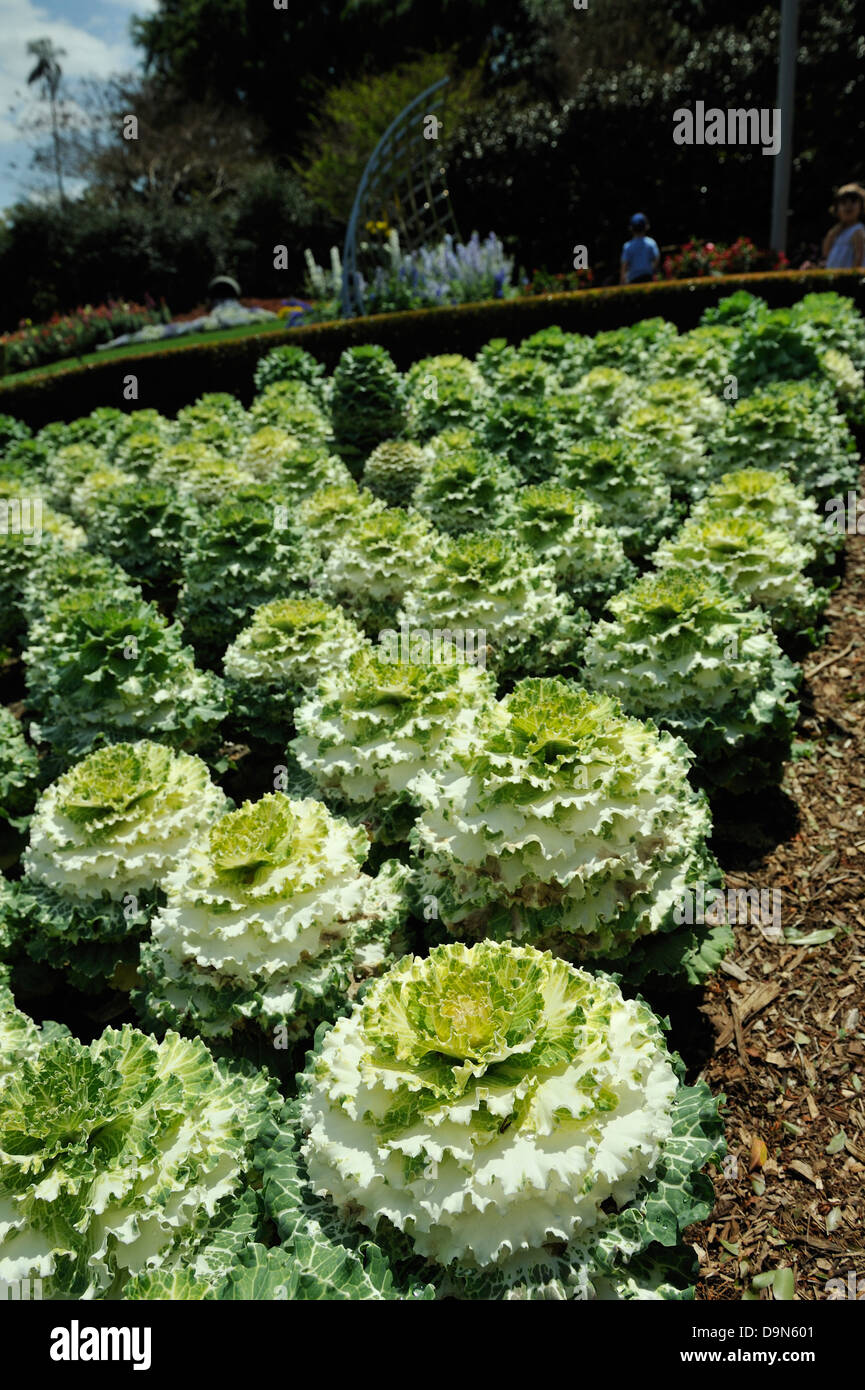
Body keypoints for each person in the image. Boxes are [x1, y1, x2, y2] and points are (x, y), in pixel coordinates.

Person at [822, 183, 865, 269]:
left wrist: (852, 278)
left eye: (853, 201)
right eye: (843, 202)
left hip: (847, 279)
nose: (848, 205)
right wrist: (832, 234)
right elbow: (825, 252)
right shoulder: (838, 231)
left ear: (861, 207)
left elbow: (858, 258)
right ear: (837, 208)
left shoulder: (857, 230)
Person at [620, 213, 660, 285]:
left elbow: (624, 267)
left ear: (631, 228)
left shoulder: (627, 246)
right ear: (646, 227)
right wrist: (651, 269)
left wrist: (622, 282)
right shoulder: (651, 243)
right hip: (648, 278)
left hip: (633, 280)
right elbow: (657, 259)